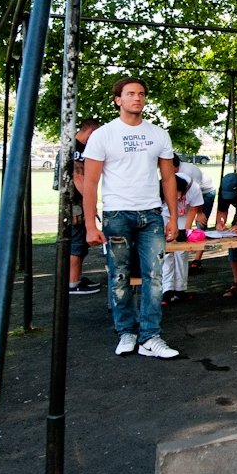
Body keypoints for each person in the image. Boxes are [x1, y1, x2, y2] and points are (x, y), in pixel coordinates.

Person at [82, 77, 180, 359]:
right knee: (120, 275)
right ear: (118, 99)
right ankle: (126, 331)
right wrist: (91, 224)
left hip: (151, 214)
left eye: (141, 94)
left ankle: (150, 336)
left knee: (155, 276)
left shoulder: (158, 134)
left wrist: (172, 216)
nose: (137, 98)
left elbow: (169, 177)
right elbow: (90, 183)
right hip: (117, 214)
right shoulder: (103, 135)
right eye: (130, 94)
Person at [68, 118, 102, 295]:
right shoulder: (73, 149)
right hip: (75, 203)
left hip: (79, 201)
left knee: (80, 242)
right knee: (78, 242)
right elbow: (78, 177)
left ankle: (77, 278)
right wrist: (90, 203)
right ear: (91, 132)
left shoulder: (79, 148)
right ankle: (73, 283)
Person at [160, 173, 203, 304]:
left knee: (182, 252)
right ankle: (167, 290)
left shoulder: (193, 188)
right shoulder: (159, 189)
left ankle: (180, 289)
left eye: (179, 194)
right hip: (165, 216)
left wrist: (185, 232)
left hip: (183, 217)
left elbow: (193, 210)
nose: (177, 197)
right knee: (167, 253)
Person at [173, 154, 217, 272]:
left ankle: (197, 259)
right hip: (189, 194)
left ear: (173, 165)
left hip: (206, 192)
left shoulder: (190, 172)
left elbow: (196, 198)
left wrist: (200, 213)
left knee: (200, 223)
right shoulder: (174, 174)